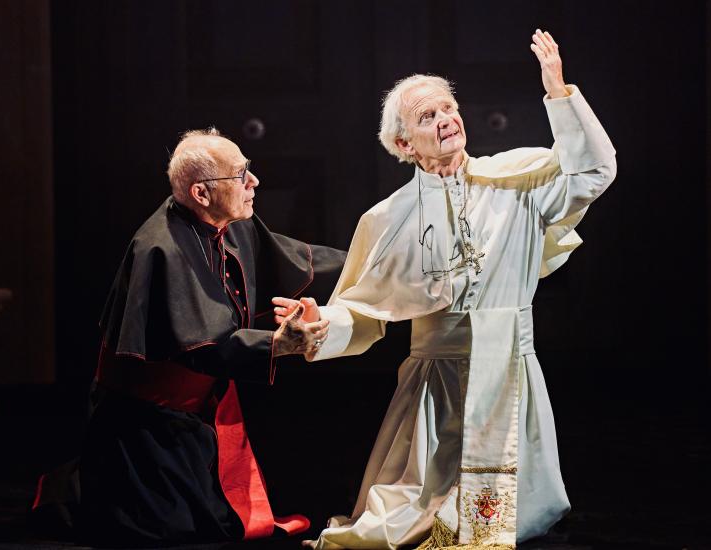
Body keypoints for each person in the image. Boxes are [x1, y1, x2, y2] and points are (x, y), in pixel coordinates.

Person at [273, 30, 616, 549]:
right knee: (413, 513)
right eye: (427, 117)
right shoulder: (386, 219)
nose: (446, 120)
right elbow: (364, 310)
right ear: (404, 145)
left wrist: (558, 92)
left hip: (509, 370)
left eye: (448, 108)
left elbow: (595, 168)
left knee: (500, 521)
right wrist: (319, 322)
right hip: (437, 379)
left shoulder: (517, 180)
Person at [32, 128, 345, 546]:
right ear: (201, 193)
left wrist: (373, 259)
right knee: (176, 533)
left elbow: (294, 256)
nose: (254, 182)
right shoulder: (159, 249)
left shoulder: (228, 222)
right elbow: (204, 344)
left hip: (198, 419)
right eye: (241, 175)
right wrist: (277, 343)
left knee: (219, 522)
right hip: (148, 433)